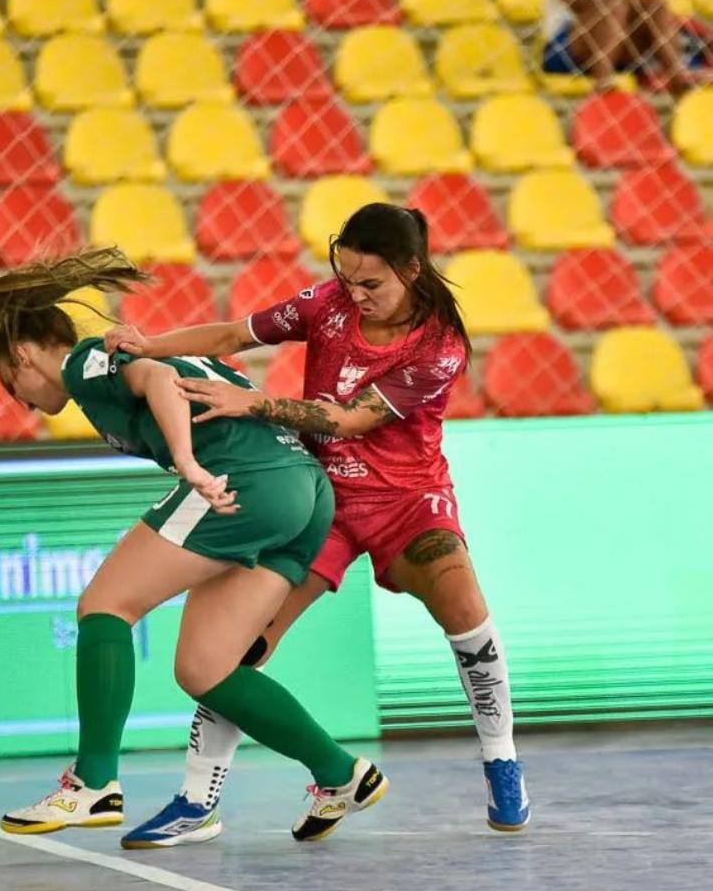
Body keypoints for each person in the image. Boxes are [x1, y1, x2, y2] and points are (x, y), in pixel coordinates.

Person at [105, 203, 531, 847]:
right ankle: (198, 801)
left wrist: (253, 401)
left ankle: (502, 760)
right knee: (234, 650)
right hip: (319, 500)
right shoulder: (328, 303)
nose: (355, 297)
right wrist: (149, 345)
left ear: (412, 271)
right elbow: (230, 336)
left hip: (408, 503)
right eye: (348, 281)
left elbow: (355, 419)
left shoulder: (440, 345)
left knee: (464, 607)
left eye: (372, 285)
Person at [0, 246, 388, 843]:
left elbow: (160, 379)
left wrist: (186, 461)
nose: (19, 400)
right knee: (207, 668)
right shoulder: (103, 361)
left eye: (10, 383)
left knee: (104, 605)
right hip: (304, 492)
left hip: (242, 479)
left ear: (23, 353)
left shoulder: (82, 361)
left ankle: (92, 785)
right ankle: (339, 772)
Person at [543, 0, 702, 92]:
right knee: (615, 3)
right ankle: (603, 80)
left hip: (617, 42)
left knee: (655, 4)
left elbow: (634, 1)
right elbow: (579, 5)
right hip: (564, 47)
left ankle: (678, 75)